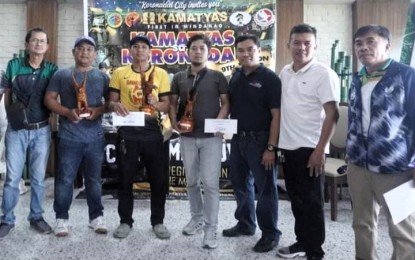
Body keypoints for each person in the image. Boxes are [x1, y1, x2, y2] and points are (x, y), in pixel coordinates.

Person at [347, 24, 415, 260]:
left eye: (370, 41)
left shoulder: (407, 75)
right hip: (357, 164)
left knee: (402, 229)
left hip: (396, 166)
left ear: (387, 44)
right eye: (358, 43)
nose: (363, 47)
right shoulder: (357, 78)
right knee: (362, 224)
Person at [276, 24, 339, 260]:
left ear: (315, 46)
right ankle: (303, 242)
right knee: (297, 201)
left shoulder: (324, 74)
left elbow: (333, 115)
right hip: (288, 147)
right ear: (288, 44)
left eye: (307, 43)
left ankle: (315, 251)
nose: (301, 47)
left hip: (311, 148)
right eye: (297, 42)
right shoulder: (285, 71)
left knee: (312, 203)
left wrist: (320, 150)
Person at [44, 35, 109, 237]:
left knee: (94, 180)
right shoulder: (62, 75)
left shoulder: (102, 77)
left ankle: (96, 217)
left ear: (94, 54)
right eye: (80, 48)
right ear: (73, 52)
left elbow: (110, 102)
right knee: (64, 180)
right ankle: (61, 219)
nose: (84, 52)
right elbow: (49, 99)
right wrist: (65, 112)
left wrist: (98, 111)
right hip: (69, 136)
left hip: (95, 137)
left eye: (89, 49)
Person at [222, 34, 282, 253]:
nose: (245, 54)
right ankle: (246, 224)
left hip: (261, 141)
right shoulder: (235, 76)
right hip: (238, 139)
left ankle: (270, 234)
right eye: (241, 50)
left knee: (266, 189)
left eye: (250, 49)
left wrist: (271, 148)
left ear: (259, 51)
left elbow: (277, 115)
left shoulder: (269, 78)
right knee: (240, 185)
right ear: (236, 53)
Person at [169, 34, 229, 249]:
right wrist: (174, 121)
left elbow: (226, 103)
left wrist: (218, 124)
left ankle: (210, 228)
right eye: (194, 48)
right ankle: (196, 218)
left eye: (202, 48)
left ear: (208, 52)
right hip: (186, 137)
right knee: (192, 181)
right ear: (188, 51)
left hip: (211, 139)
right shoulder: (178, 77)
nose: (197, 51)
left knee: (211, 184)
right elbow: (172, 103)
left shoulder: (217, 76)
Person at [108, 35, 171, 240]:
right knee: (125, 178)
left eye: (144, 47)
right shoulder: (120, 72)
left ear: (150, 51)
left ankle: (158, 222)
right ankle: (125, 221)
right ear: (130, 50)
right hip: (128, 129)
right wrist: (115, 106)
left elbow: (166, 105)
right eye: (136, 47)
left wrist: (155, 103)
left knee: (158, 179)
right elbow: (111, 102)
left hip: (152, 130)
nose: (140, 50)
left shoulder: (160, 73)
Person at [0, 28, 58, 238]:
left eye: (42, 41)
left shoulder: (52, 69)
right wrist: (11, 117)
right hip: (16, 131)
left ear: (47, 46)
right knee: (12, 178)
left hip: (41, 130)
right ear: (27, 44)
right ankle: (6, 219)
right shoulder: (14, 65)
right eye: (34, 40)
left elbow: (54, 97)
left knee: (38, 178)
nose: (38, 44)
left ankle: (36, 217)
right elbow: (5, 94)